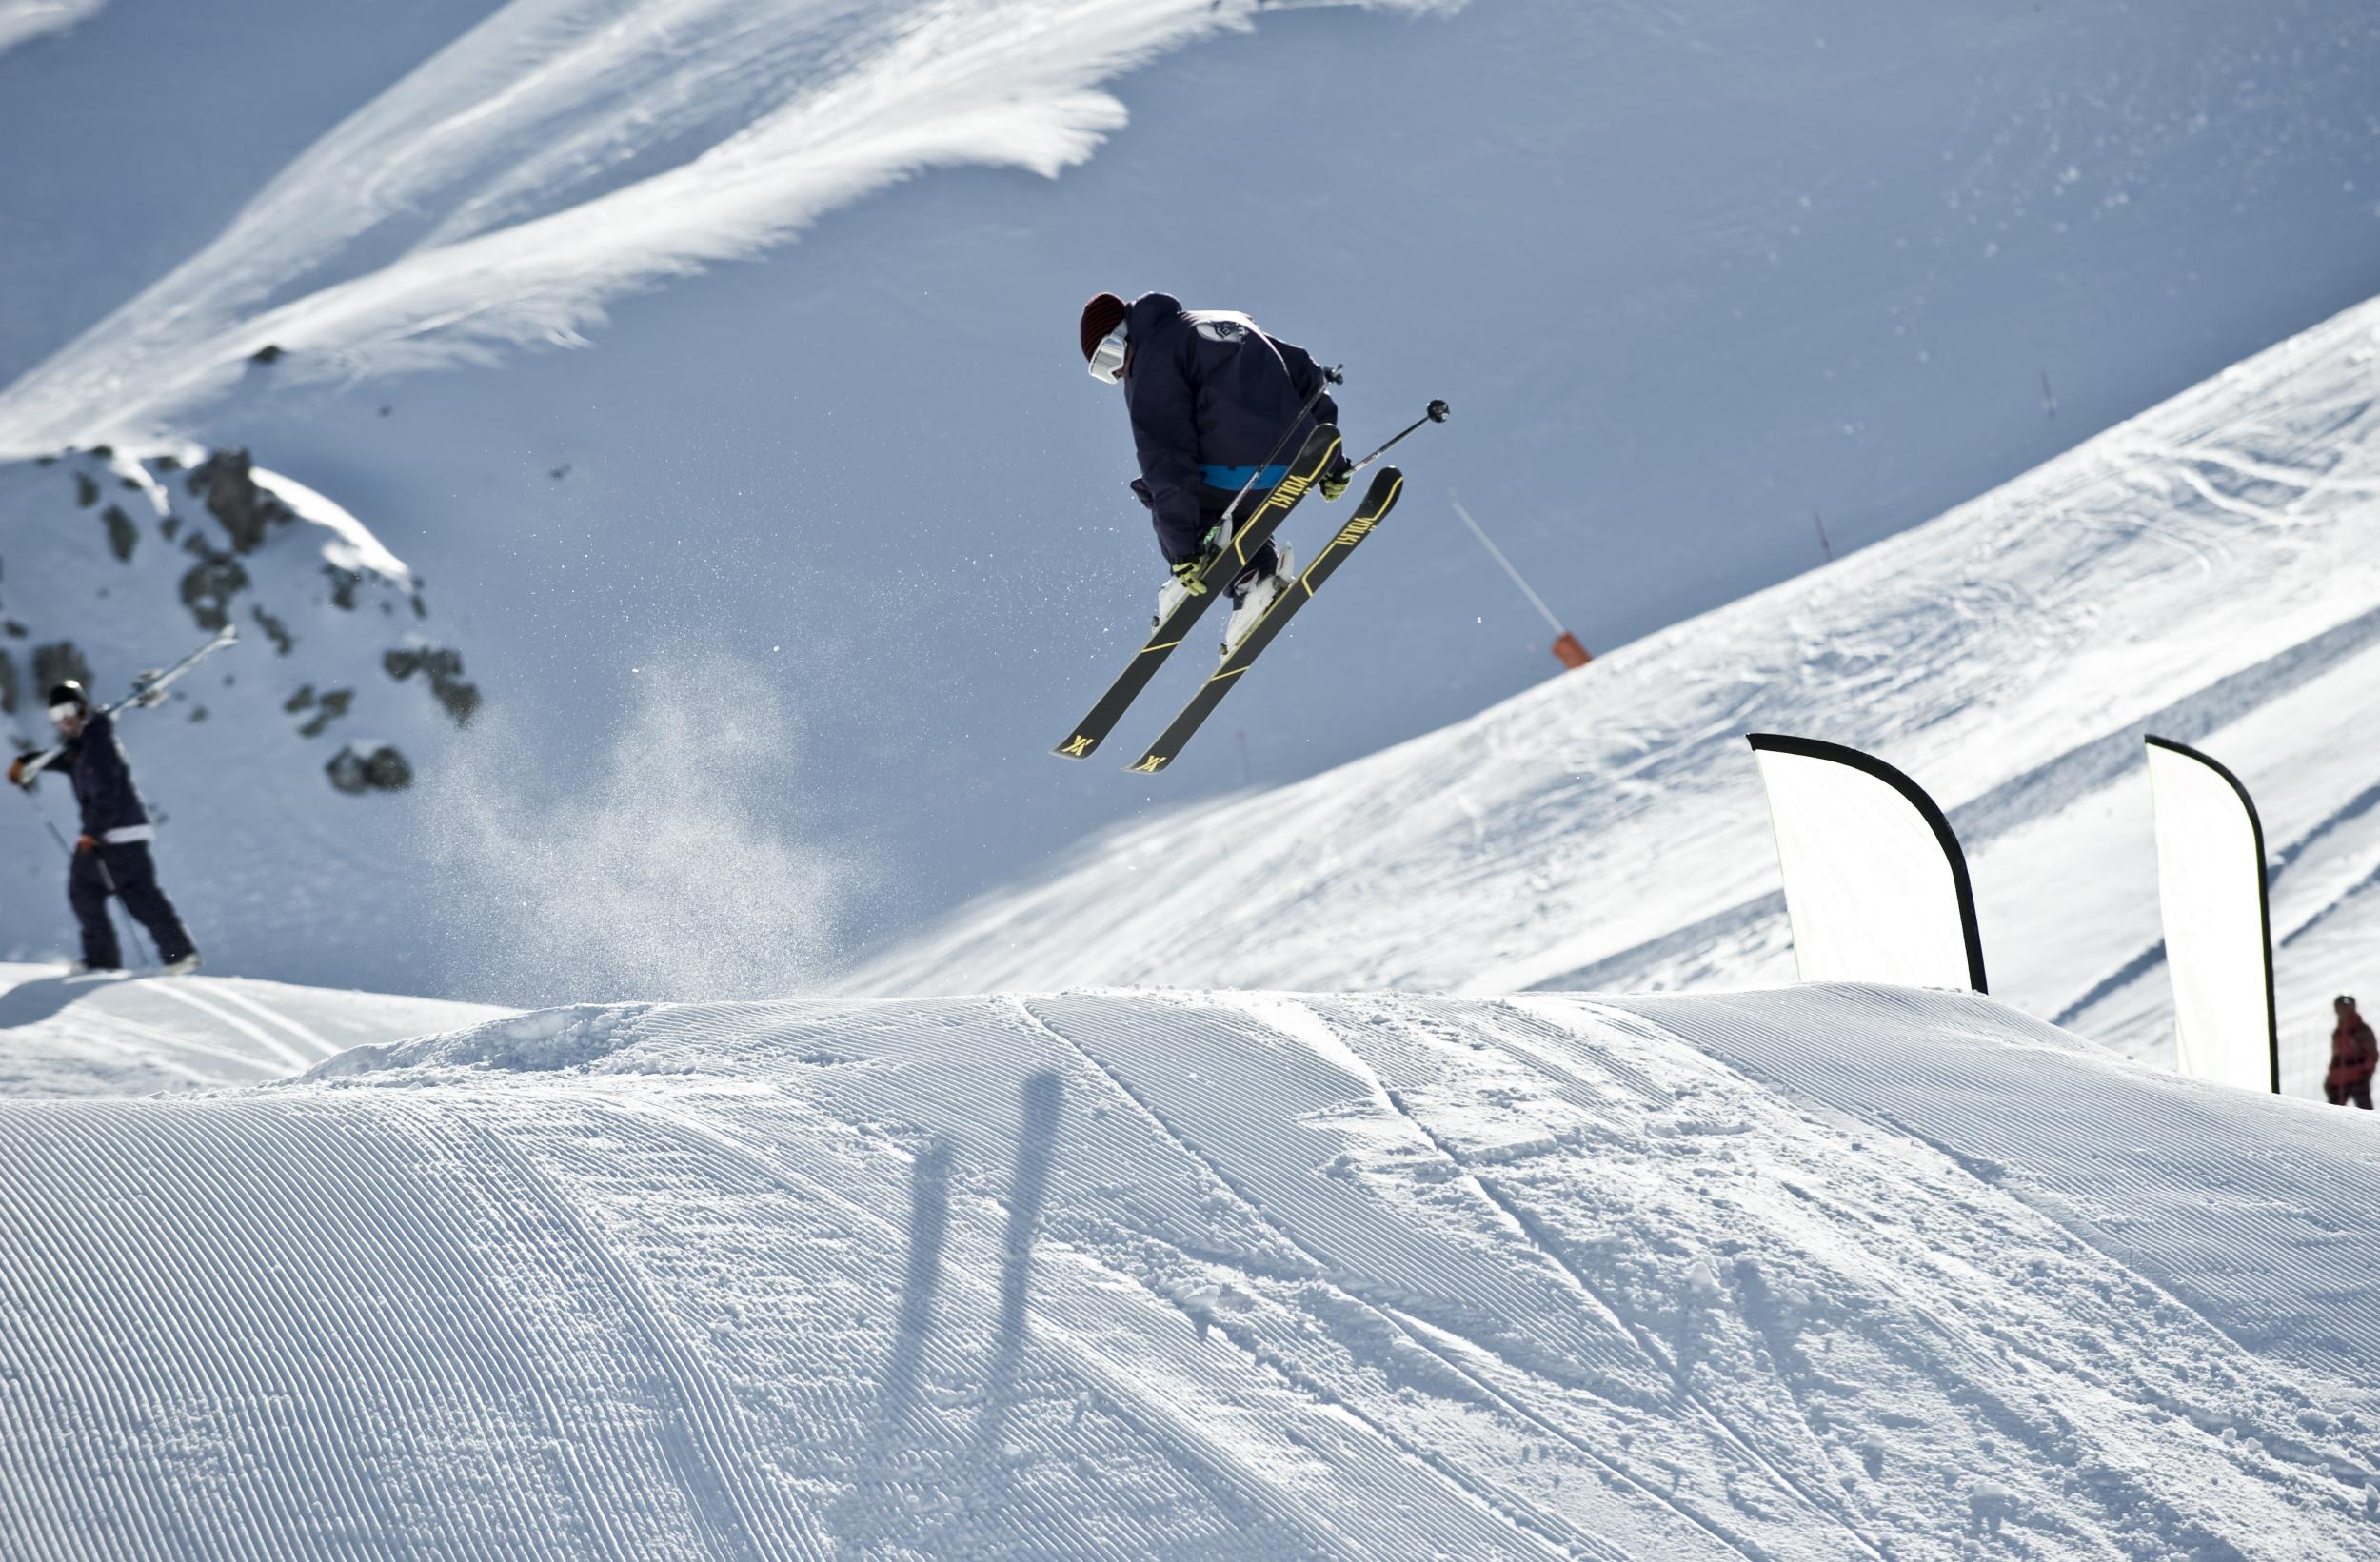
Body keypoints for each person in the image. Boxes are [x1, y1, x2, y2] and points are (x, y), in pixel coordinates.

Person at [1080, 290, 1352, 650]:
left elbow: (1166, 458)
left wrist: (1181, 552)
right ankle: (1258, 579)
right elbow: (1305, 373)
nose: (1116, 372)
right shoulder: (1233, 320)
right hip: (1290, 465)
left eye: (1110, 357)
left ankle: (1199, 571)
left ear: (1124, 334)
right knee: (1237, 517)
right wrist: (1330, 461)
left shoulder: (1152, 359)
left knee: (1165, 491)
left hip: (1232, 469)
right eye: (1103, 373)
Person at [8, 681, 201, 977]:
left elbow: (107, 792)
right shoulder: (86, 742)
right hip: (122, 834)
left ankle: (106, 961)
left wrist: (93, 832)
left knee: (91, 891)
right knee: (130, 894)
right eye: (56, 714)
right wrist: (27, 762)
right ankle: (176, 953)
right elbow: (64, 761)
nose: (63, 719)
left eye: (68, 709)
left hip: (112, 835)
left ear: (82, 707)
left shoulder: (96, 742)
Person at [2326, 995, 2374, 1109]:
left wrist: (2364, 1072)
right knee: (2332, 1115)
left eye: (2345, 1007)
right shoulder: (2338, 1032)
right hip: (2338, 1081)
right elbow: (2336, 1056)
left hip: (2358, 1080)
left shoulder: (2361, 1030)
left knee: (2366, 1114)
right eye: (2339, 1008)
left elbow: (2371, 1055)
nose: (2341, 1011)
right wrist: (2331, 1078)